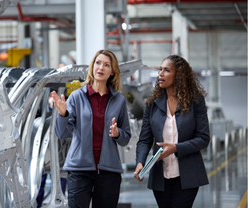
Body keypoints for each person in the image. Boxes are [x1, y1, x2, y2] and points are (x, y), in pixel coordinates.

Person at [51, 49, 131, 208]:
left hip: (109, 172)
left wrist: (117, 133)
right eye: (98, 63)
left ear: (112, 72)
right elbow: (62, 133)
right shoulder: (76, 97)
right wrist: (62, 114)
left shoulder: (119, 100)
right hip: (79, 171)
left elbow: (126, 137)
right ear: (92, 67)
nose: (101, 67)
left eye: (106, 65)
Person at [133, 55, 210, 208]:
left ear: (179, 76)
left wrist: (176, 148)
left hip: (188, 176)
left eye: (166, 70)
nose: (160, 74)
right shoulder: (152, 103)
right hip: (160, 178)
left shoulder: (196, 101)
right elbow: (145, 139)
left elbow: (203, 138)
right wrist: (140, 162)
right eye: (160, 69)